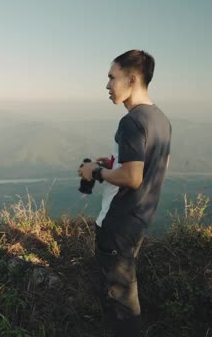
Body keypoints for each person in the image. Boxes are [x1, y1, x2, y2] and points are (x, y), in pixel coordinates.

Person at [78, 50, 171, 337]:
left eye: (111, 77)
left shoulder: (130, 122)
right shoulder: (160, 119)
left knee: (120, 300)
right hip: (139, 219)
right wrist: (109, 163)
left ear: (131, 79)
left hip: (118, 222)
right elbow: (149, 167)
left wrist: (95, 173)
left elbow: (133, 177)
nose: (107, 85)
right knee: (123, 286)